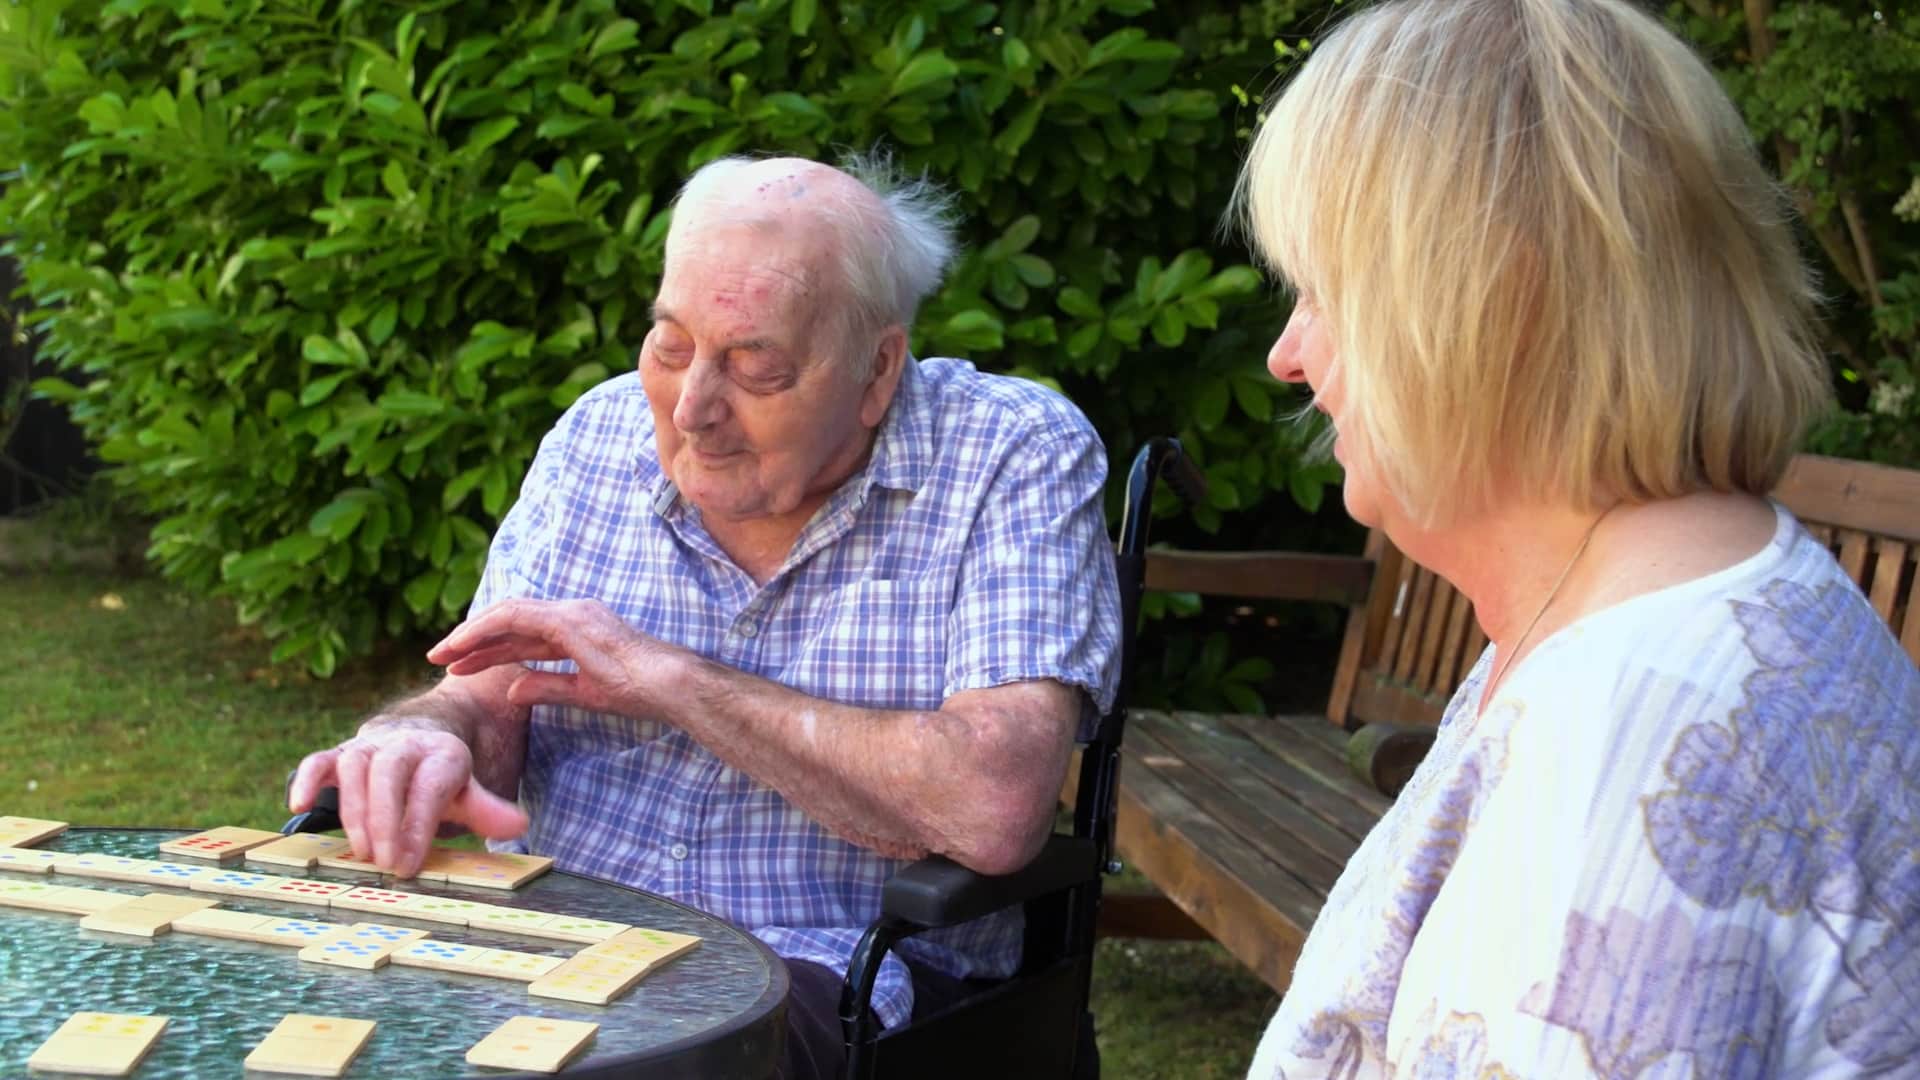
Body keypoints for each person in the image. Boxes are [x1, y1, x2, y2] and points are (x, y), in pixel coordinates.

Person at [288, 153, 1121, 1080]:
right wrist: (420, 736)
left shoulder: (1008, 454)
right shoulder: (598, 435)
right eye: (671, 345)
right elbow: (487, 697)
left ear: (878, 369)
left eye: (754, 365)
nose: (692, 409)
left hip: (816, 972)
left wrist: (669, 680)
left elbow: (994, 800)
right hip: (545, 937)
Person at [1234, 0, 1920, 1076]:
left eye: (1326, 292)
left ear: (1494, 299)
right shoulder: (1621, 612)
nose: (1288, 353)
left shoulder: (1633, 751)